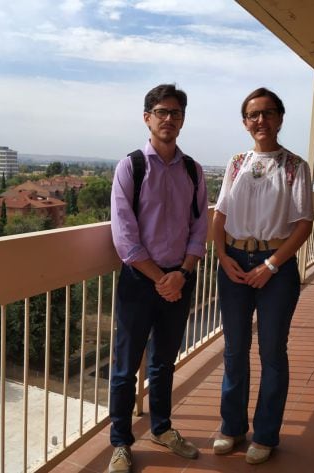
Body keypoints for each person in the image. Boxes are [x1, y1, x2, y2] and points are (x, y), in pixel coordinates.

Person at [108, 83, 208, 473]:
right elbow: (124, 234)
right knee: (125, 365)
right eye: (161, 112)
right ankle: (120, 442)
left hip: (179, 280)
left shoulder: (192, 170)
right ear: (147, 117)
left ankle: (162, 428)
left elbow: (201, 226)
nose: (169, 119)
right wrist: (159, 277)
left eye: (176, 113)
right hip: (139, 280)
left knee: (164, 361)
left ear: (182, 121)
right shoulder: (131, 166)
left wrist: (181, 274)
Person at [212, 87, 314, 464]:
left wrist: (270, 266)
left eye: (268, 113)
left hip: (277, 265)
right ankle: (232, 427)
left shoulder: (294, 166)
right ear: (244, 122)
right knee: (235, 349)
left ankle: (266, 434)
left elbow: (304, 223)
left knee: (272, 352)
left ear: (280, 118)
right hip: (235, 263)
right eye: (253, 115)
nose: (260, 120)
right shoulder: (236, 163)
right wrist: (222, 256)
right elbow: (220, 215)